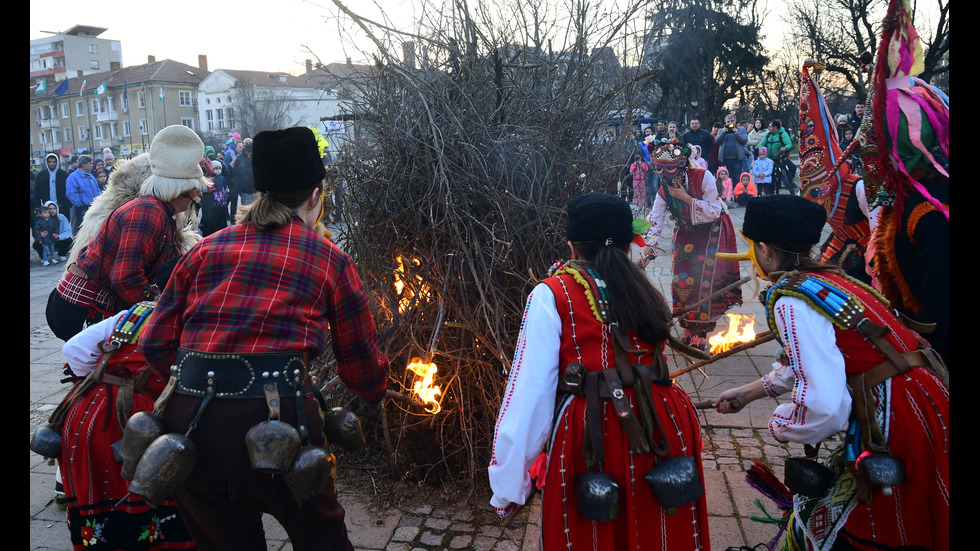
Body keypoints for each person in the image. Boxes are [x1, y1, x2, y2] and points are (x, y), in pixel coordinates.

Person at [137, 126, 389, 551]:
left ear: (260, 194)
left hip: (190, 430)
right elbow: (362, 372)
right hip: (282, 428)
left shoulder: (206, 249)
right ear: (315, 196)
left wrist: (202, 382)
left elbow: (155, 344)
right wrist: (376, 387)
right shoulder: (330, 258)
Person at [712, 194, 948, 551]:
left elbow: (824, 407)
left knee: (866, 525)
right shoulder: (833, 279)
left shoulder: (791, 298)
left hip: (900, 419)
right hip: (926, 397)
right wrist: (749, 393)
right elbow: (819, 358)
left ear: (763, 250)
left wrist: (781, 423)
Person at [489, 192, 709, 551]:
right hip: (665, 422)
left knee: (592, 535)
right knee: (662, 530)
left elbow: (529, 395)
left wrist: (509, 487)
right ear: (628, 244)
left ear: (573, 246)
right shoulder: (645, 291)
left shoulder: (553, 294)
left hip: (593, 432)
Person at [55, 258, 196, 550]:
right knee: (147, 491)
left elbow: (73, 349)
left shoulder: (134, 313)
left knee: (97, 493)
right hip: (136, 423)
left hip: (86, 414)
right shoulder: (192, 321)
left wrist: (104, 381)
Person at [46, 125, 206, 342]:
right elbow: (125, 278)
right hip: (80, 307)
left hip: (91, 303)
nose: (194, 198)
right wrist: (158, 308)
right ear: (176, 189)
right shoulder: (148, 212)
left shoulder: (162, 214)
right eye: (191, 195)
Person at [641, 141, 742, 350]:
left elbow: (714, 210)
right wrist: (647, 248)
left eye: (669, 168)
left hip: (712, 230)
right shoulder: (663, 189)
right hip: (686, 231)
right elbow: (657, 217)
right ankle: (688, 326)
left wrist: (686, 198)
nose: (664, 174)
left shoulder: (703, 176)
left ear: (683, 164)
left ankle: (702, 332)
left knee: (705, 279)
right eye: (658, 168)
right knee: (682, 279)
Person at [65, 155, 100, 236]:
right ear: (83, 164)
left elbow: (97, 189)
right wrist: (80, 204)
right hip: (82, 209)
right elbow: (71, 193)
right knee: (83, 231)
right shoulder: (73, 177)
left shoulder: (90, 176)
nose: (92, 165)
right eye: (90, 163)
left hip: (93, 206)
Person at [760, 120, 795, 194]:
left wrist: (785, 148)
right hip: (770, 158)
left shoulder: (783, 134)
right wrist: (763, 152)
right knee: (770, 175)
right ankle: (770, 193)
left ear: (775, 127)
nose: (768, 128)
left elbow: (789, 144)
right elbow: (761, 145)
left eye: (770, 126)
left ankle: (789, 182)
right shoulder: (768, 135)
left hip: (781, 157)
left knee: (792, 167)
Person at [714, 114, 748, 185]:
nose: (730, 123)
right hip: (725, 159)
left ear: (735, 121)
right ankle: (726, 195)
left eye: (732, 121)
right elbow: (717, 142)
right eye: (728, 121)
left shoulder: (741, 129)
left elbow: (744, 141)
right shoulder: (721, 130)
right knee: (725, 180)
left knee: (737, 179)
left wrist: (737, 134)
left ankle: (736, 195)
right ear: (725, 122)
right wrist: (723, 133)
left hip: (737, 159)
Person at [35, 153, 71, 217]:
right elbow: (37, 191)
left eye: (54, 162)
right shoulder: (41, 175)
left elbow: (69, 189)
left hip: (62, 205)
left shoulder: (64, 174)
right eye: (50, 162)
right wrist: (37, 205)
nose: (52, 164)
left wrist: (68, 204)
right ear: (47, 162)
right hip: (47, 206)